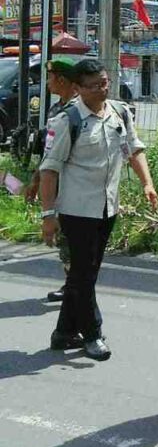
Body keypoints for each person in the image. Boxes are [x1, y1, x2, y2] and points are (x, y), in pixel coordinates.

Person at [39, 59, 158, 360]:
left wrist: (147, 183)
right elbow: (49, 171)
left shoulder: (119, 112)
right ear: (77, 88)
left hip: (107, 207)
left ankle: (64, 332)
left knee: (86, 273)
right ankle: (93, 334)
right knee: (83, 274)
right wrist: (48, 216)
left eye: (105, 82)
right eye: (94, 86)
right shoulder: (67, 121)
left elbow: (134, 148)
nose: (102, 89)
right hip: (76, 210)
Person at [24, 57, 80, 302]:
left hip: (77, 185)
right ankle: (72, 283)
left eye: (50, 77)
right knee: (64, 236)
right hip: (55, 183)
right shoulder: (56, 109)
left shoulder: (79, 109)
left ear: (62, 80)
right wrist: (36, 180)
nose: (47, 83)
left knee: (74, 237)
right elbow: (48, 152)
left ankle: (77, 286)